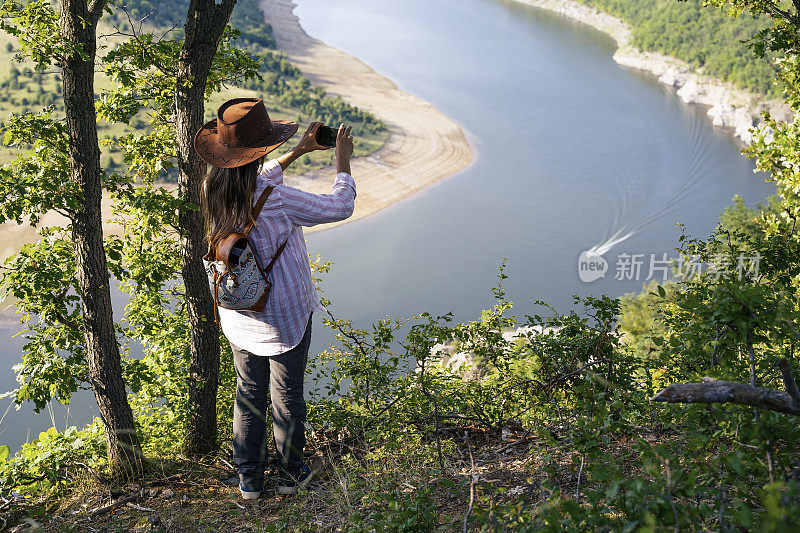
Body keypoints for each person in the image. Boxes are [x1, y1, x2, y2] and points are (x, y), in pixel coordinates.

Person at [195, 97, 356, 498]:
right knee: (286, 397)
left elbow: (257, 178)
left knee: (248, 394)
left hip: (239, 311)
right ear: (261, 151)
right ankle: (289, 476)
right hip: (284, 313)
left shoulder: (212, 189)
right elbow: (341, 206)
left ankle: (249, 479)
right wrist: (342, 162)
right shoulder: (279, 201)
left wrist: (299, 152)